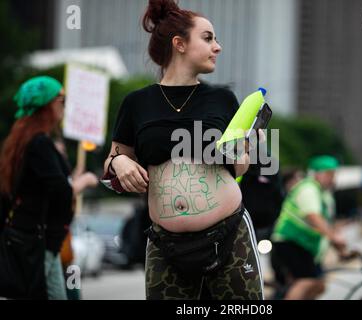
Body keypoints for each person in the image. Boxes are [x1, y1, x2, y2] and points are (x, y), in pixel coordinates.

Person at [102, 0, 263, 300]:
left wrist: (245, 150)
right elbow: (111, 161)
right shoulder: (136, 103)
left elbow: (241, 167)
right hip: (166, 244)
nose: (218, 47)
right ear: (180, 44)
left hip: (229, 235)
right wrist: (121, 162)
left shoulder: (223, 99)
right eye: (208, 38)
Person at [0, 76, 98, 299]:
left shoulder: (20, 141)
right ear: (47, 105)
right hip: (39, 244)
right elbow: (60, 190)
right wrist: (84, 181)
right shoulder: (39, 143)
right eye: (61, 99)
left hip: (39, 243)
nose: (64, 106)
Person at [270, 155, 347, 300]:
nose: (333, 178)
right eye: (329, 174)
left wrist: (340, 249)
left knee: (318, 286)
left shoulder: (323, 194)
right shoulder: (308, 188)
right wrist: (335, 237)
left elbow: (325, 225)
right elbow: (313, 217)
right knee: (307, 282)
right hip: (290, 241)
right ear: (317, 173)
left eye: (334, 174)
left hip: (303, 246)